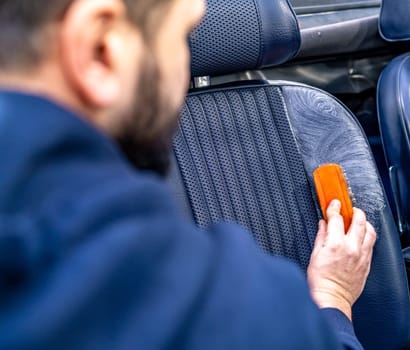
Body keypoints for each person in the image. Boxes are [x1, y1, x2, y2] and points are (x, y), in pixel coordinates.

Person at [0, 0, 377, 349]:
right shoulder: (232, 309)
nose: (186, 69)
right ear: (100, 49)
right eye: (182, 35)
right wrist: (333, 301)